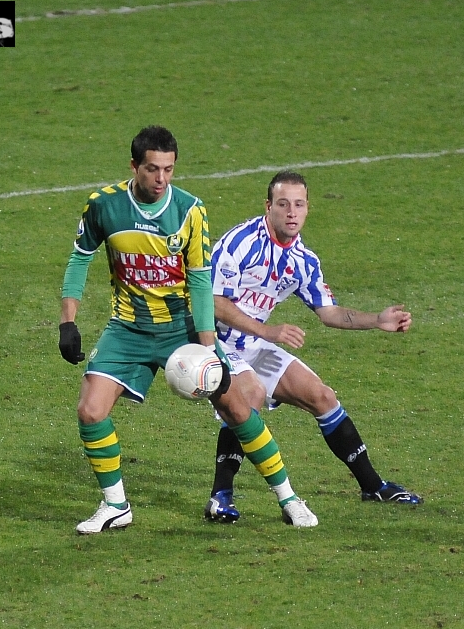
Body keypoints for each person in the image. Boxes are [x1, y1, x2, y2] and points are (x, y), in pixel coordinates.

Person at [58, 127, 318, 534]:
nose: (161, 179)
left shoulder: (190, 210)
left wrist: (210, 347)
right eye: (152, 169)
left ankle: (289, 497)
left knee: (238, 409)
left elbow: (199, 281)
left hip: (181, 327)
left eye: (169, 169)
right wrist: (68, 321)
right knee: (90, 411)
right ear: (134, 166)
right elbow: (79, 259)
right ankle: (115, 506)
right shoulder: (104, 206)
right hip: (128, 327)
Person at [203, 170, 422, 523]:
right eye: (283, 204)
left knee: (322, 397)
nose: (291, 212)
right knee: (250, 395)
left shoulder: (304, 260)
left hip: (256, 342)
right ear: (268, 207)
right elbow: (213, 303)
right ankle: (220, 496)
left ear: (307, 210)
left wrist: (376, 320)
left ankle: (373, 485)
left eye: (299, 205)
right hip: (215, 341)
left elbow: (329, 312)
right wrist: (268, 331)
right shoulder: (241, 242)